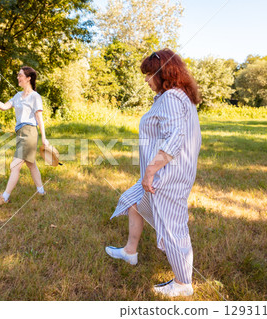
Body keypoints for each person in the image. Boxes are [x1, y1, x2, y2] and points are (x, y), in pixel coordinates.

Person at [105, 48, 202, 298]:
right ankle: (130, 251)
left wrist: (150, 172)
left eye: (149, 75)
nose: (146, 80)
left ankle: (183, 284)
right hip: (168, 171)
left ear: (163, 73)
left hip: (166, 176)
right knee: (134, 201)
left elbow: (175, 138)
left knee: (173, 228)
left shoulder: (171, 98)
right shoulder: (178, 96)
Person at [0, 66, 50, 205]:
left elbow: (39, 118)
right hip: (20, 133)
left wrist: (44, 137)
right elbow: (4, 106)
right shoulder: (17, 96)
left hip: (29, 132)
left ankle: (4, 197)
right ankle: (41, 192)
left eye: (20, 75)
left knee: (15, 165)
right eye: (18, 75)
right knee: (31, 164)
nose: (18, 77)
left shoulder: (35, 96)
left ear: (28, 78)